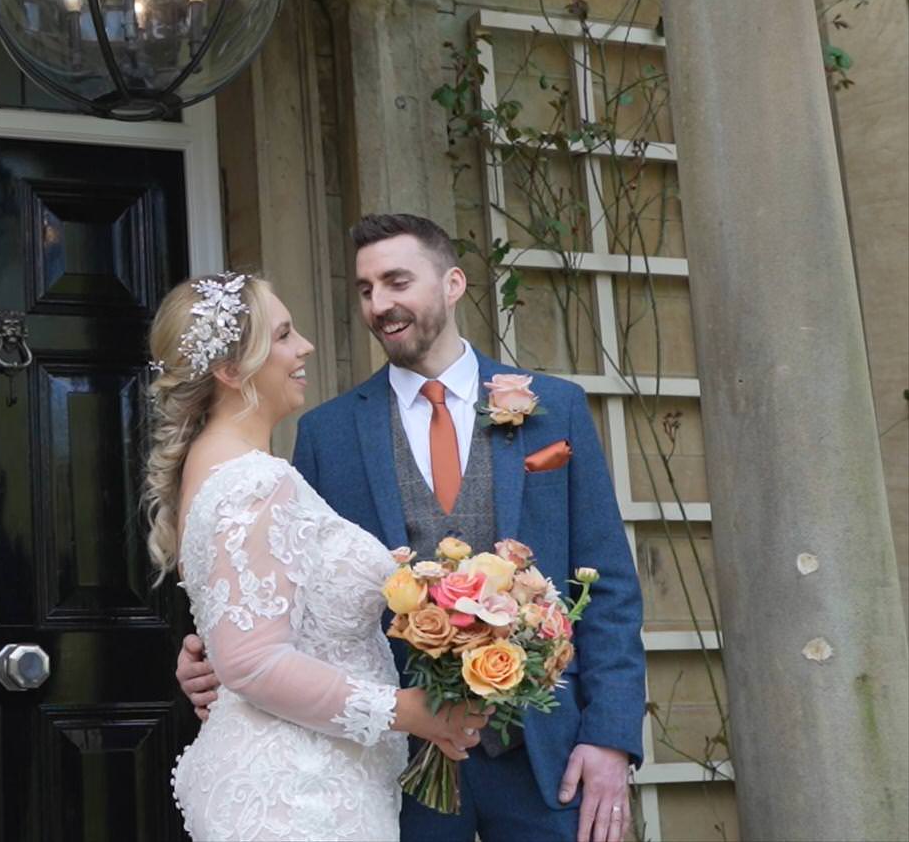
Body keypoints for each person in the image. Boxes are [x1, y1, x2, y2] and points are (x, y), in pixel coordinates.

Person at [174, 214, 646, 842]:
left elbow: (608, 583)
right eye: (366, 289)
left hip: (548, 755)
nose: (380, 304)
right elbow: (277, 580)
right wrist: (211, 654)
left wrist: (610, 739)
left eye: (397, 281)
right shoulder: (326, 433)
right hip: (400, 767)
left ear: (453, 283)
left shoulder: (555, 408)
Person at [145, 270, 489, 841]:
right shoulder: (253, 482)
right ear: (231, 371)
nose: (304, 346)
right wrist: (407, 711)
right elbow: (253, 663)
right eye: (282, 335)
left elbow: (248, 629)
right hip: (298, 795)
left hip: (314, 777)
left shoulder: (219, 470)